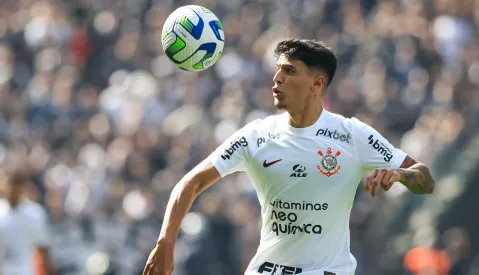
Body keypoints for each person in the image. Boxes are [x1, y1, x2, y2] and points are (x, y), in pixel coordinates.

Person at [143, 38, 435, 275]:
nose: (277, 78)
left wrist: (401, 174)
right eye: (278, 70)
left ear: (317, 84)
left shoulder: (352, 135)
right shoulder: (256, 136)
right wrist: (166, 242)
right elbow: (190, 182)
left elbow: (425, 179)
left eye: (289, 71)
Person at [0, 166, 56, 275]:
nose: (13, 189)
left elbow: (44, 250)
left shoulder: (34, 213)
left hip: (26, 271)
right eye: (10, 183)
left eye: (17, 184)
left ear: (23, 187)